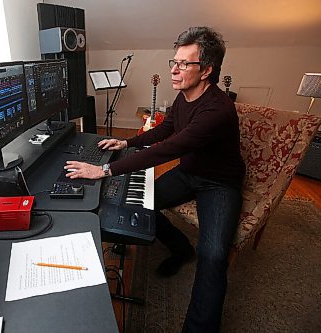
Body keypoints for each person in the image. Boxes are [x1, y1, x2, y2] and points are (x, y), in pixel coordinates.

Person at [64, 26, 245, 332]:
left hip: (219, 183)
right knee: (142, 207)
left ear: (207, 71)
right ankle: (180, 249)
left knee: (213, 255)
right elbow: (166, 129)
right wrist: (126, 143)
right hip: (190, 172)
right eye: (174, 61)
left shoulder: (218, 110)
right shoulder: (184, 95)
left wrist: (104, 170)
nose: (175, 69)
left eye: (184, 64)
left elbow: (168, 149)